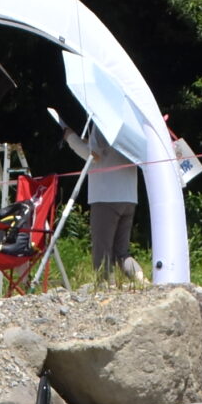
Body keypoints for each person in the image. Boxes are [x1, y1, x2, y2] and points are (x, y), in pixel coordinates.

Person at [62, 119, 145, 283]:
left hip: (106, 195)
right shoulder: (131, 124)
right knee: (122, 253)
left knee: (102, 252)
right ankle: (143, 281)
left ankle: (106, 289)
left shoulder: (103, 121)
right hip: (129, 196)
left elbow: (93, 156)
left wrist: (70, 137)